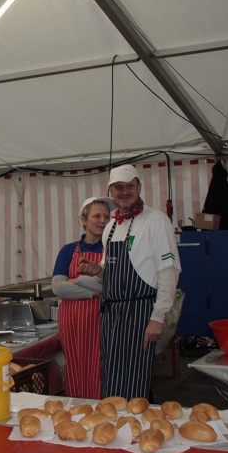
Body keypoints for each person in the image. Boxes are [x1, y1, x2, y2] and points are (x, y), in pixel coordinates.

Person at [77, 165, 181, 400]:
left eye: (130, 187)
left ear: (139, 188)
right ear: (111, 191)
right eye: (118, 188)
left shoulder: (156, 220)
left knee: (136, 380)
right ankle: (115, 428)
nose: (124, 192)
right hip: (112, 313)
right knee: (112, 377)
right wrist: (97, 269)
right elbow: (108, 269)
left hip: (140, 312)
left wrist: (157, 317)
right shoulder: (112, 225)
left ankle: (137, 430)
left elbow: (169, 271)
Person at [51, 196, 114, 399]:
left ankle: (101, 409)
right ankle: (77, 409)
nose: (102, 220)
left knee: (100, 367)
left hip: (102, 319)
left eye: (106, 216)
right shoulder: (69, 250)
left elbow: (111, 286)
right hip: (72, 320)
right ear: (84, 220)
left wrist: (77, 281)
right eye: (97, 216)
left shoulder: (112, 250)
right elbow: (58, 287)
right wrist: (94, 291)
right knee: (75, 366)